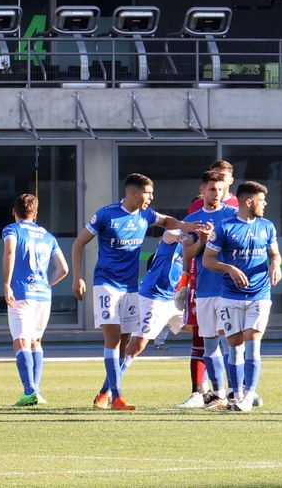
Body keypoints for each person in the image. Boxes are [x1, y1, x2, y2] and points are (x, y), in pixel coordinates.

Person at [72, 173, 211, 411]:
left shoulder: (146, 215)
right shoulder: (107, 215)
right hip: (107, 283)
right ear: (133, 193)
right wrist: (77, 277)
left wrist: (186, 224)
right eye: (148, 193)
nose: (151, 197)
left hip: (131, 287)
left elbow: (166, 221)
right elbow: (79, 242)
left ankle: (105, 394)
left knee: (126, 340)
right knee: (115, 340)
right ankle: (116, 396)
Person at [202, 180, 281, 412]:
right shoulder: (225, 228)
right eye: (261, 200)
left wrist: (276, 264)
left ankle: (248, 395)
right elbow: (208, 260)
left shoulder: (267, 226)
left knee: (252, 343)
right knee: (234, 346)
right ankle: (235, 397)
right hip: (230, 296)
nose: (265, 204)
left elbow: (275, 254)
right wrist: (229, 268)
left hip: (259, 294)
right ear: (249, 201)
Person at [2, 192, 69, 407]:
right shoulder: (48, 236)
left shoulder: (12, 229)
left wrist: (6, 284)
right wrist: (47, 284)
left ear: (14, 211)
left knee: (20, 341)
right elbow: (64, 269)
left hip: (22, 292)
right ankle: (36, 390)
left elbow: (11, 251)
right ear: (35, 213)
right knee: (36, 341)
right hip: (43, 295)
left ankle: (30, 391)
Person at [179, 164, 239, 409]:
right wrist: (202, 240)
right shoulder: (191, 221)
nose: (216, 193)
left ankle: (238, 390)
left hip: (227, 289)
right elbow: (187, 255)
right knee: (210, 343)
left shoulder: (232, 216)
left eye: (220, 189)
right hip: (203, 288)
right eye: (212, 189)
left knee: (232, 342)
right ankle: (219, 394)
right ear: (201, 191)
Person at [113, 227, 191, 398]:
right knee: (137, 346)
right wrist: (182, 235)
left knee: (203, 332)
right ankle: (110, 387)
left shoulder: (197, 244)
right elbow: (167, 235)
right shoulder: (175, 238)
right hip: (153, 297)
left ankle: (205, 391)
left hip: (175, 299)